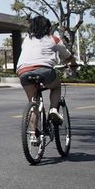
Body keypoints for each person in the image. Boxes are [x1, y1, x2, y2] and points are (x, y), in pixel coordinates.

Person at [16, 15, 77, 145]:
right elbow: (67, 56)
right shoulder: (53, 38)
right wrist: (72, 63)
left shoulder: (26, 39)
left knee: (34, 103)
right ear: (48, 27)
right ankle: (54, 110)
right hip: (44, 70)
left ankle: (33, 135)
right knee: (56, 86)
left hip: (23, 71)